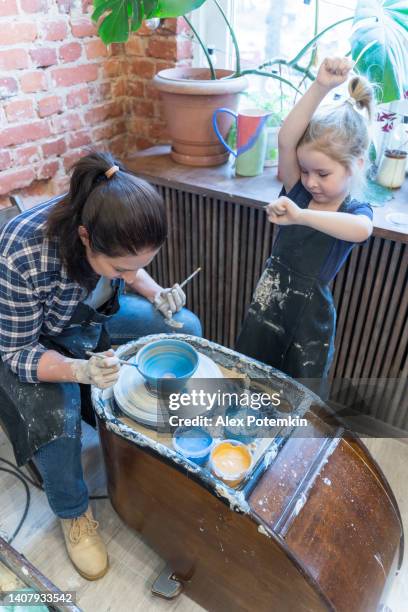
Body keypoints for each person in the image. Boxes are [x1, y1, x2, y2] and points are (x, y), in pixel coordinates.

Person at [0, 152, 202, 580]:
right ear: (86, 237)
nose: (133, 272)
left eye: (143, 262)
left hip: (82, 319)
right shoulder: (22, 253)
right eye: (123, 267)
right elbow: (16, 352)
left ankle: (162, 437)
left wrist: (155, 290)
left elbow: (128, 270)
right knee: (60, 416)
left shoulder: (109, 220)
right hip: (29, 341)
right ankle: (73, 512)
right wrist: (77, 371)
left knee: (185, 324)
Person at [236, 57, 374, 397]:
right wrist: (321, 86)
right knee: (252, 376)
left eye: (322, 174)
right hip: (269, 301)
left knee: (301, 395)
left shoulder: (353, 210)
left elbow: (361, 231)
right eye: (305, 170)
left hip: (310, 317)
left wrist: (302, 216)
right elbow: (286, 138)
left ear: (355, 166)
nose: (310, 182)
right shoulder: (297, 188)